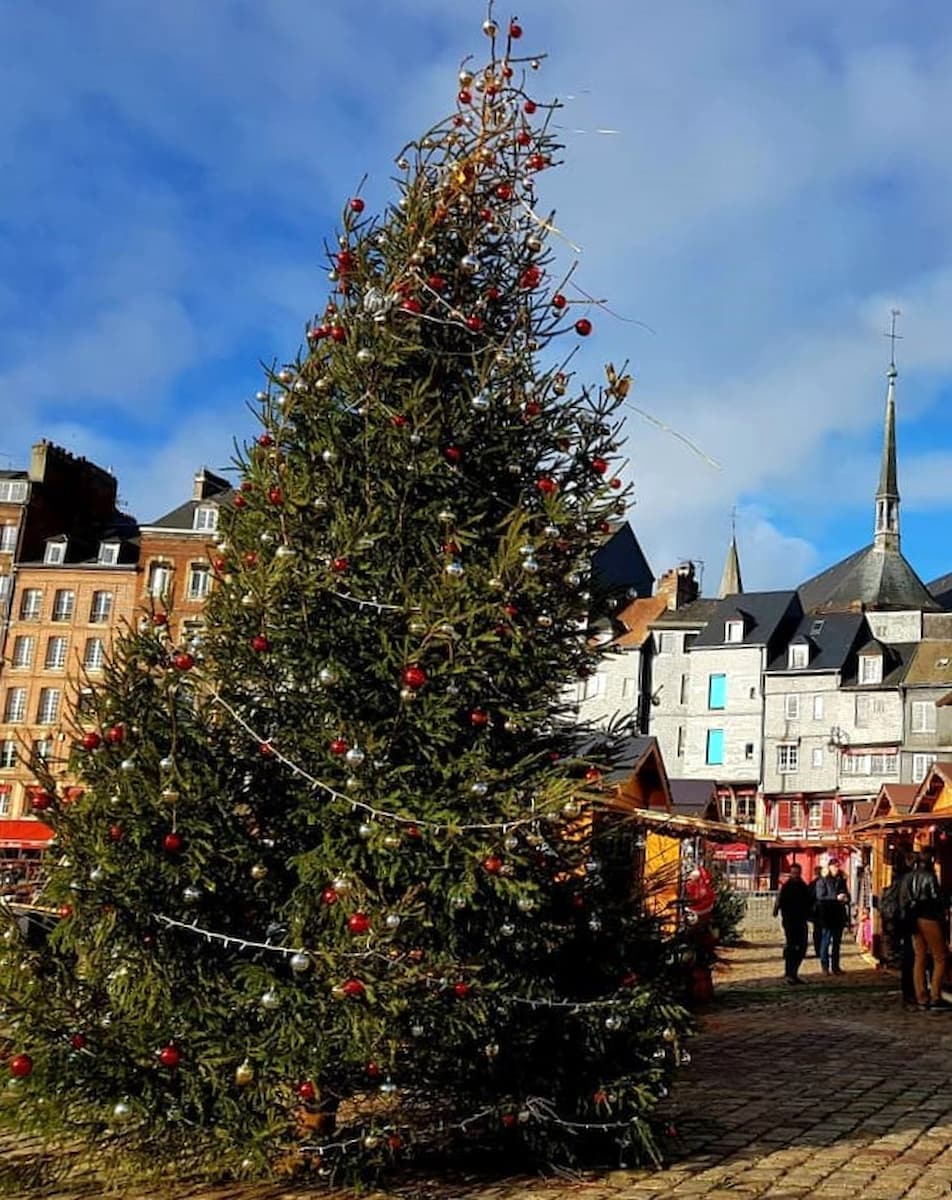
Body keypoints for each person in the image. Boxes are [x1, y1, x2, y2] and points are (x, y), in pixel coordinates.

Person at [900, 849, 951, 1012]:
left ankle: (921, 996)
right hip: (929, 917)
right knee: (940, 956)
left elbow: (903, 900)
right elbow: (936, 898)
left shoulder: (908, 877)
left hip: (913, 919)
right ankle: (935, 995)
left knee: (920, 957)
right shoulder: (929, 877)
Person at [773, 863, 812, 984]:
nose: (795, 875)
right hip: (790, 921)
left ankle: (794, 973)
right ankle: (789, 973)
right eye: (793, 873)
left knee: (802, 947)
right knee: (792, 947)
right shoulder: (787, 887)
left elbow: (808, 901)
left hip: (801, 920)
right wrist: (777, 910)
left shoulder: (803, 886)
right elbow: (780, 901)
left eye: (797, 873)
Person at [814, 859, 850, 975]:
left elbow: (847, 893)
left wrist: (846, 898)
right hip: (827, 915)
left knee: (837, 943)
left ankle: (836, 967)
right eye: (834, 867)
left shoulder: (841, 879)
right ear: (829, 867)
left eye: (838, 866)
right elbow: (820, 897)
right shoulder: (823, 880)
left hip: (839, 915)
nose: (836, 869)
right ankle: (825, 967)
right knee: (825, 942)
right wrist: (836, 897)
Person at [808, 866, 824, 959]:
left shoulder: (812, 884)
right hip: (818, 911)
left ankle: (819, 950)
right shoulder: (813, 884)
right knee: (820, 932)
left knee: (818, 932)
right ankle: (820, 950)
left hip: (817, 911)